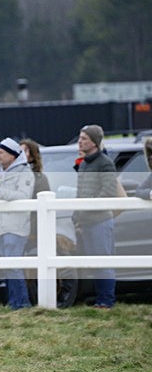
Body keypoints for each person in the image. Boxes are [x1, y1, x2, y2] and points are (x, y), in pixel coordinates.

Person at [0, 138, 34, 310]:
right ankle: (14, 304)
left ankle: (22, 304)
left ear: (11, 155)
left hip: (16, 227)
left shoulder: (25, 173)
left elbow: (24, 196)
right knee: (8, 267)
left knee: (14, 267)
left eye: (1, 152)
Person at [73, 125, 118, 309]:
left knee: (103, 261)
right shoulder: (83, 164)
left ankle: (106, 301)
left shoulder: (105, 163)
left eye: (84, 138)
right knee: (94, 263)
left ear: (93, 141)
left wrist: (86, 208)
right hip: (87, 222)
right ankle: (101, 299)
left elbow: (108, 192)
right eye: (80, 137)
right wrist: (77, 216)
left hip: (100, 221)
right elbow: (80, 193)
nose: (80, 141)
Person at [20, 138, 51, 248]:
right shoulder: (10, 176)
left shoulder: (39, 179)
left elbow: (40, 209)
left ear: (32, 156)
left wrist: (33, 232)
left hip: (30, 232)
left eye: (24, 151)